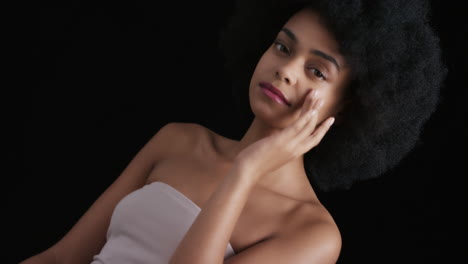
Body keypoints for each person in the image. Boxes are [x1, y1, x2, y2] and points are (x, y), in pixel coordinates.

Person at [20, 0, 447, 263]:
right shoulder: (179, 141)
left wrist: (243, 173)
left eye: (316, 70)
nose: (285, 69)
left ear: (350, 106)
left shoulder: (311, 233)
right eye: (283, 46)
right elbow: (60, 258)